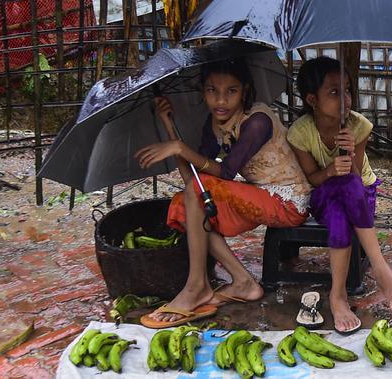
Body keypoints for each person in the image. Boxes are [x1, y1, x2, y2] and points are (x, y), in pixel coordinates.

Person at [134, 58, 312, 328]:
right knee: (184, 204)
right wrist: (170, 125)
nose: (221, 99)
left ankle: (196, 286)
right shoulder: (214, 123)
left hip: (287, 201)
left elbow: (226, 172)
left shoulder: (257, 121)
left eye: (231, 91)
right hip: (258, 195)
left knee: (195, 193)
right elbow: (193, 180)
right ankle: (242, 282)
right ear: (202, 91)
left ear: (246, 91)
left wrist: (179, 148)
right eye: (211, 90)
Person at [287, 56, 392, 334]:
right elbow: (312, 178)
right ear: (311, 99)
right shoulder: (300, 133)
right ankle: (380, 270)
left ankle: (338, 295)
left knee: (347, 197)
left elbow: (357, 179)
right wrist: (331, 169)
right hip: (324, 195)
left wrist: (352, 153)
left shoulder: (359, 126)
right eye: (334, 92)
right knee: (339, 194)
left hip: (360, 198)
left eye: (347, 90)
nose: (345, 99)